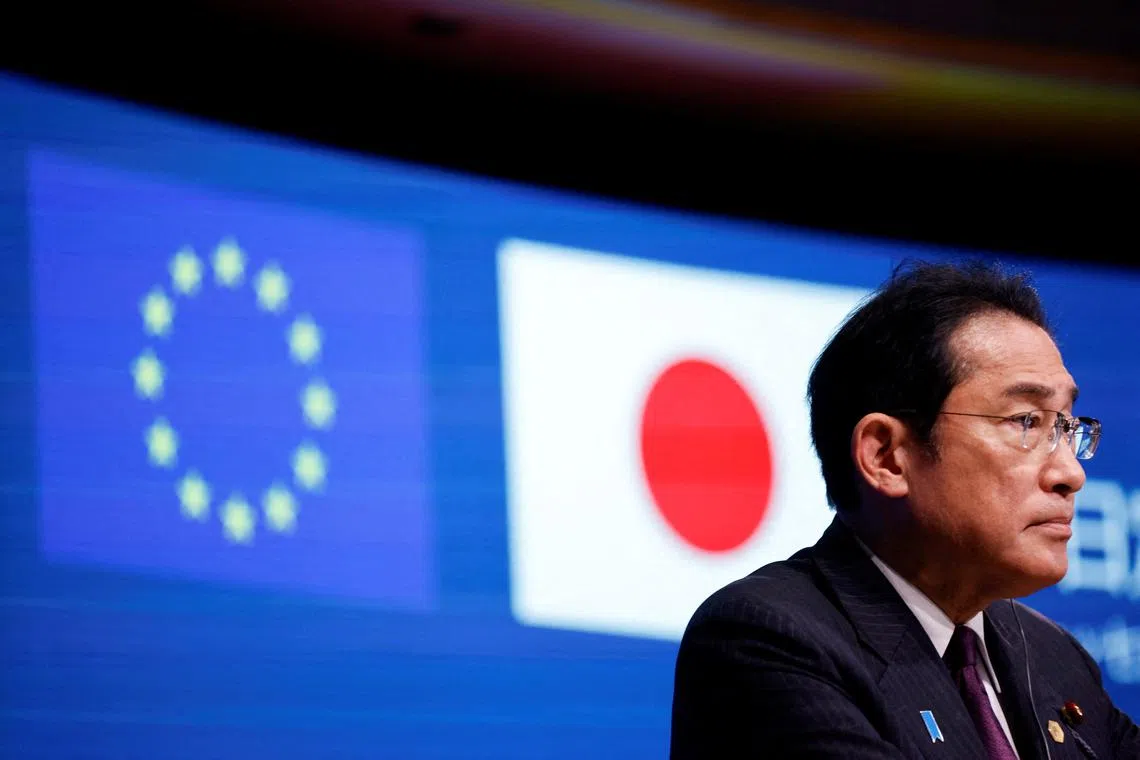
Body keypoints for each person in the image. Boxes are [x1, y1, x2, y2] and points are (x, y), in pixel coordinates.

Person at [669, 260, 1140, 759]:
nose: (1071, 473)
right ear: (886, 456)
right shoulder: (770, 639)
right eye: (1026, 421)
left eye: (1066, 427)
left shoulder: (1053, 657)